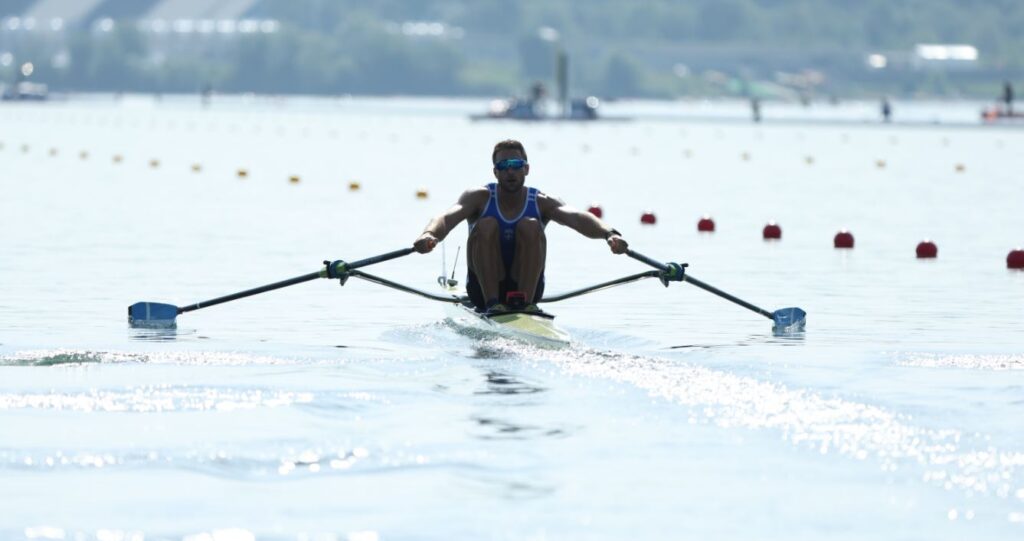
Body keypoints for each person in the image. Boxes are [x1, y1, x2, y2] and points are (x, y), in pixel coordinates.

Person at [413, 139, 629, 314]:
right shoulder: (478, 197)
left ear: (526, 169)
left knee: (531, 226)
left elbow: (578, 218)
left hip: (527, 288)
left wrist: (609, 234)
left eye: (515, 165)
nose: (510, 172)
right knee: (487, 224)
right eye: (503, 167)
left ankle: (525, 305)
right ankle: (492, 304)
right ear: (495, 172)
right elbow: (446, 217)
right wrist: (429, 234)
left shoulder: (541, 201)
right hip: (481, 291)